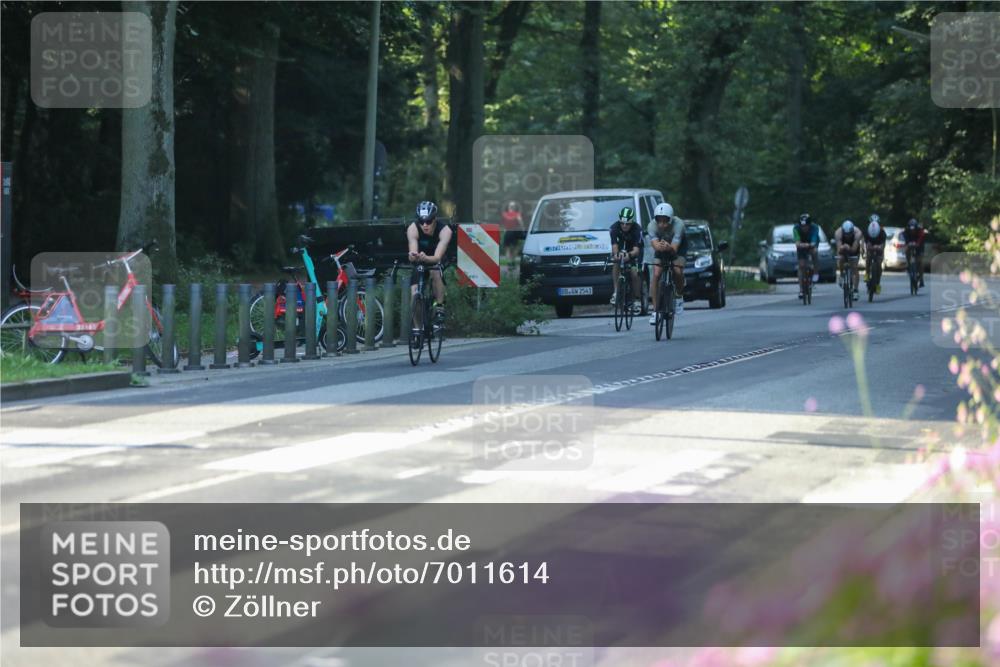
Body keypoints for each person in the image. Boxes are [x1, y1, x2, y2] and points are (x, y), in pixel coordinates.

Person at [406, 200, 452, 332]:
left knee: (435, 271)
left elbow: (437, 257)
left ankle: (439, 306)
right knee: (414, 292)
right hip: (421, 258)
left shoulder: (445, 230)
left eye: (429, 221)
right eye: (421, 221)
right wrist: (413, 256)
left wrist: (427, 258)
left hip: (438, 257)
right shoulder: (412, 228)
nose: (425, 225)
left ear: (435, 219)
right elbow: (413, 251)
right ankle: (418, 328)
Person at [647, 202, 687, 325]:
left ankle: (679, 295)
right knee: (656, 273)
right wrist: (660, 247)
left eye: (665, 221)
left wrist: (669, 247)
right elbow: (655, 246)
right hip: (661, 247)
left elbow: (674, 248)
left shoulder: (679, 225)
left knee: (677, 270)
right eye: (659, 221)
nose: (662, 224)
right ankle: (655, 311)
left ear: (671, 219)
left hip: (677, 248)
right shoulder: (651, 226)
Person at [609, 207, 643, 315]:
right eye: (622, 223)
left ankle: (637, 300)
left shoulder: (637, 229)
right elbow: (614, 246)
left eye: (627, 224)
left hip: (634, 250)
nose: (624, 226)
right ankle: (615, 292)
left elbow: (637, 250)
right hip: (621, 248)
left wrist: (629, 255)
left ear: (632, 222)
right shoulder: (614, 228)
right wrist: (616, 255)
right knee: (616, 262)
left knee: (634, 273)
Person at [793, 213, 820, 299]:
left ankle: (815, 271)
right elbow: (797, 243)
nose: (804, 228)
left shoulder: (815, 228)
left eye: (806, 226)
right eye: (802, 226)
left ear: (809, 225)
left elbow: (814, 240)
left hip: (811, 243)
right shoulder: (796, 228)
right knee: (801, 266)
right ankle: (801, 289)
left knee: (814, 252)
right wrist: (801, 245)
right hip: (801, 244)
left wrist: (810, 245)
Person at [834, 219, 861, 301]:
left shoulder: (858, 233)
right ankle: (842, 274)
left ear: (852, 231)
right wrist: (843, 248)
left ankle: (855, 290)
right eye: (846, 234)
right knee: (841, 259)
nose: (848, 236)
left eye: (849, 234)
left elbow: (854, 249)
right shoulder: (838, 233)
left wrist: (849, 248)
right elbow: (839, 250)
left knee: (854, 267)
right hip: (843, 247)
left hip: (853, 248)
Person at [863, 215, 887, 295]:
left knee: (879, 264)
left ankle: (877, 284)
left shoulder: (882, 232)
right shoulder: (867, 231)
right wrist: (867, 247)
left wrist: (880, 247)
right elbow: (865, 242)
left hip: (879, 247)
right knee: (868, 257)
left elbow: (883, 244)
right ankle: (867, 273)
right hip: (871, 246)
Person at [901, 217, 927, 288]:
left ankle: (921, 279)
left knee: (920, 261)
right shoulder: (906, 231)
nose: (912, 231)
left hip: (919, 244)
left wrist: (918, 243)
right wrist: (907, 244)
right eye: (911, 229)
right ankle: (909, 265)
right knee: (907, 250)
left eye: (914, 229)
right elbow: (904, 236)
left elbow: (921, 237)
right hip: (910, 243)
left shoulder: (920, 230)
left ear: (916, 228)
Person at [500, 201, 523, 268]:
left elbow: (502, 224)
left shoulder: (504, 214)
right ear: (515, 207)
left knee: (507, 248)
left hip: (507, 232)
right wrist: (522, 228)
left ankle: (509, 262)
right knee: (516, 247)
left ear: (508, 207)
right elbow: (520, 222)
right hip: (515, 232)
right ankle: (513, 260)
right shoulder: (517, 214)